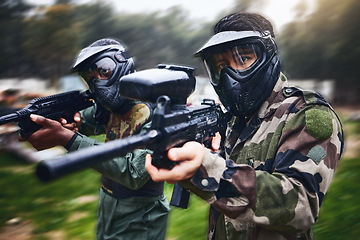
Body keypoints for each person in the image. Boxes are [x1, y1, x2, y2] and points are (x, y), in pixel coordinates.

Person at [145, 12, 344, 239]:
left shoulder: (306, 114)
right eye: (220, 66)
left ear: (267, 56)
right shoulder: (233, 117)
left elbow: (300, 207)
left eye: (243, 59)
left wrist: (209, 168)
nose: (229, 75)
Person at [21, 38, 170, 240]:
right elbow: (80, 121)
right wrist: (44, 122)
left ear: (121, 64)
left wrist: (67, 137)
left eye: (103, 71)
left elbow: (134, 174)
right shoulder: (111, 108)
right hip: (109, 207)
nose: (97, 83)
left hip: (142, 216)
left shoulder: (156, 111)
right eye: (90, 78)